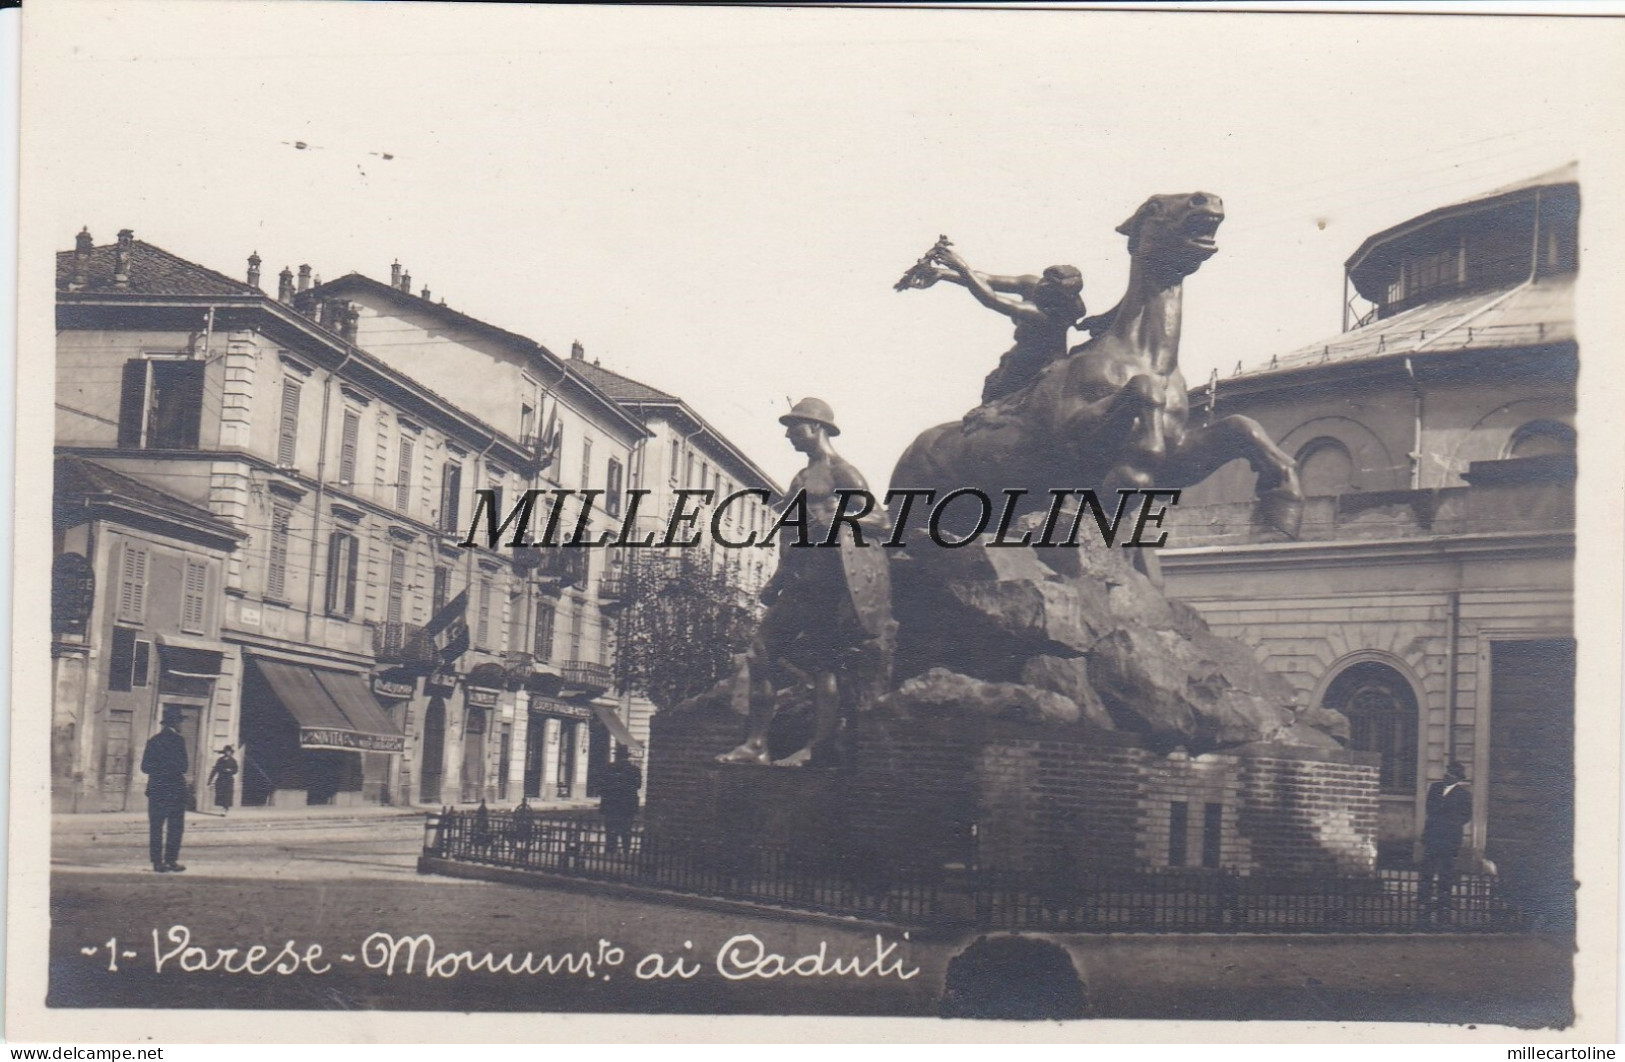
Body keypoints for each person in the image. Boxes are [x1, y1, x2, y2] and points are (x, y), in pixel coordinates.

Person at [717, 398, 894, 767]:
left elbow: (880, 520)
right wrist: (777, 580)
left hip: (831, 584)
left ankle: (819, 747)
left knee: (822, 664)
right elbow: (791, 537)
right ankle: (757, 745)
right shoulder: (800, 478)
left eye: (795, 426)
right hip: (800, 581)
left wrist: (839, 522)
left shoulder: (843, 472)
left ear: (817, 428)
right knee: (761, 654)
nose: (788, 434)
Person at [896, 236, 1089, 406]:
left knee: (995, 404)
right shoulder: (1036, 285)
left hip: (1036, 364)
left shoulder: (1044, 315)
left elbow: (992, 300)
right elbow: (987, 280)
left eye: (1047, 286)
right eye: (1043, 279)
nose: (1040, 285)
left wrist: (961, 268)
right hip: (1020, 355)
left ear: (1056, 297)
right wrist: (943, 274)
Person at [1417, 760, 1473, 924]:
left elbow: (1466, 816)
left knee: (1446, 872)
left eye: (1451, 774)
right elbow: (1430, 809)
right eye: (1446, 773)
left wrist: (1450, 824)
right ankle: (1424, 900)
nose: (1446, 776)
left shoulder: (1464, 795)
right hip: (1433, 836)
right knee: (1427, 869)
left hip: (1450, 839)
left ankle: (1443, 903)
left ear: (1457, 778)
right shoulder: (1435, 789)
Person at [140, 705, 190, 873]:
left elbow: (145, 767)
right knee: (175, 827)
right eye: (180, 722)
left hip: (157, 790)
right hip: (175, 790)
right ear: (174, 723)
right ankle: (171, 861)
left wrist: (160, 770)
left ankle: (157, 863)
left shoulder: (153, 741)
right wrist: (171, 769)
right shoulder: (179, 741)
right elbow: (184, 767)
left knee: (156, 827)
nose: (182, 725)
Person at [599, 747, 643, 855]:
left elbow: (602, 786)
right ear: (627, 757)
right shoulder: (635, 770)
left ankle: (610, 851)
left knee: (610, 830)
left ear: (617, 756)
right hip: (627, 805)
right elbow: (638, 785)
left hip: (611, 804)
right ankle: (626, 851)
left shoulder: (609, 768)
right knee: (626, 829)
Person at [206, 746, 239, 815]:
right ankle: (223, 808)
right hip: (221, 779)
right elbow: (215, 770)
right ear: (224, 752)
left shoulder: (233, 761)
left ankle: (225, 809)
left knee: (227, 794)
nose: (227, 752)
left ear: (231, 752)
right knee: (221, 794)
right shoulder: (220, 760)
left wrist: (230, 770)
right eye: (226, 751)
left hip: (228, 780)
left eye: (229, 751)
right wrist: (210, 780)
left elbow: (236, 770)